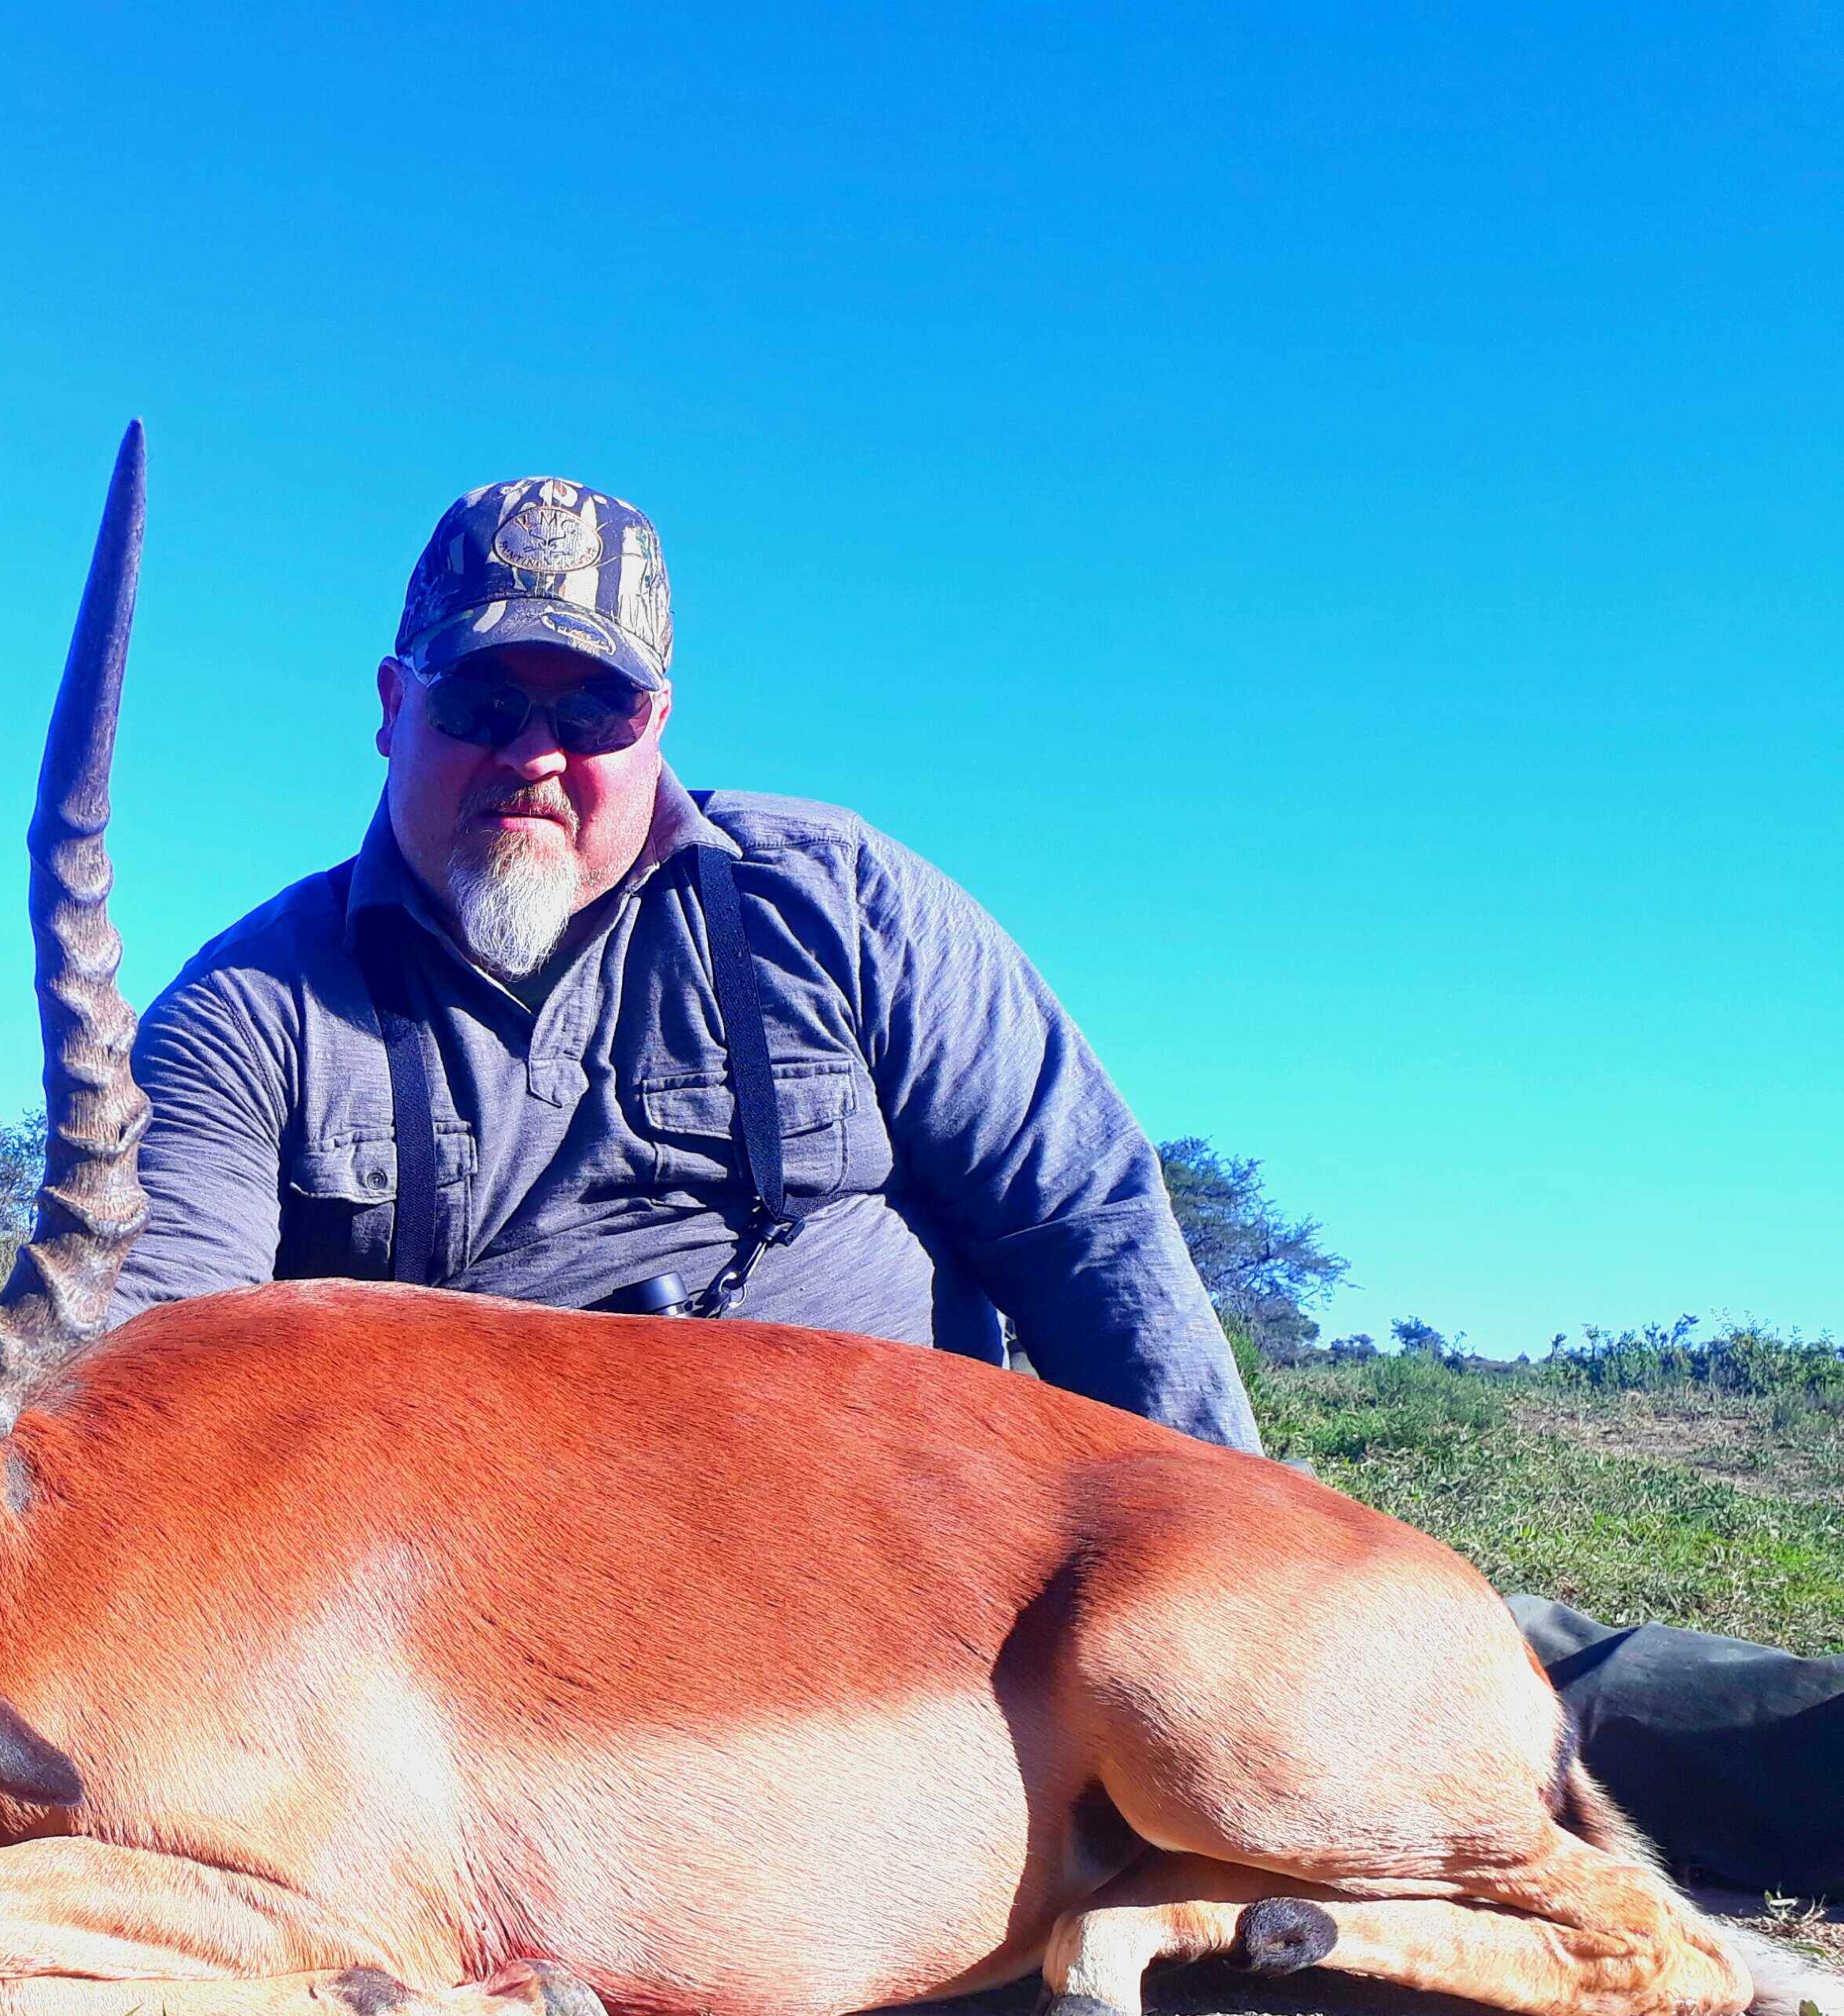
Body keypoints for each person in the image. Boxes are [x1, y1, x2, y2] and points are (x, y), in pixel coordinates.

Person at [110, 474, 1841, 1896]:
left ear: (660, 722)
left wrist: (1238, 1546)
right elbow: (140, 1384)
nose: (538, 755)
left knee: (1415, 1671)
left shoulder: (835, 898)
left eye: (598, 708)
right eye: (487, 702)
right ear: (394, 704)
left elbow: (1080, 1221)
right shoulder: (251, 1011)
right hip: (524, 1631)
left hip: (942, 1552)